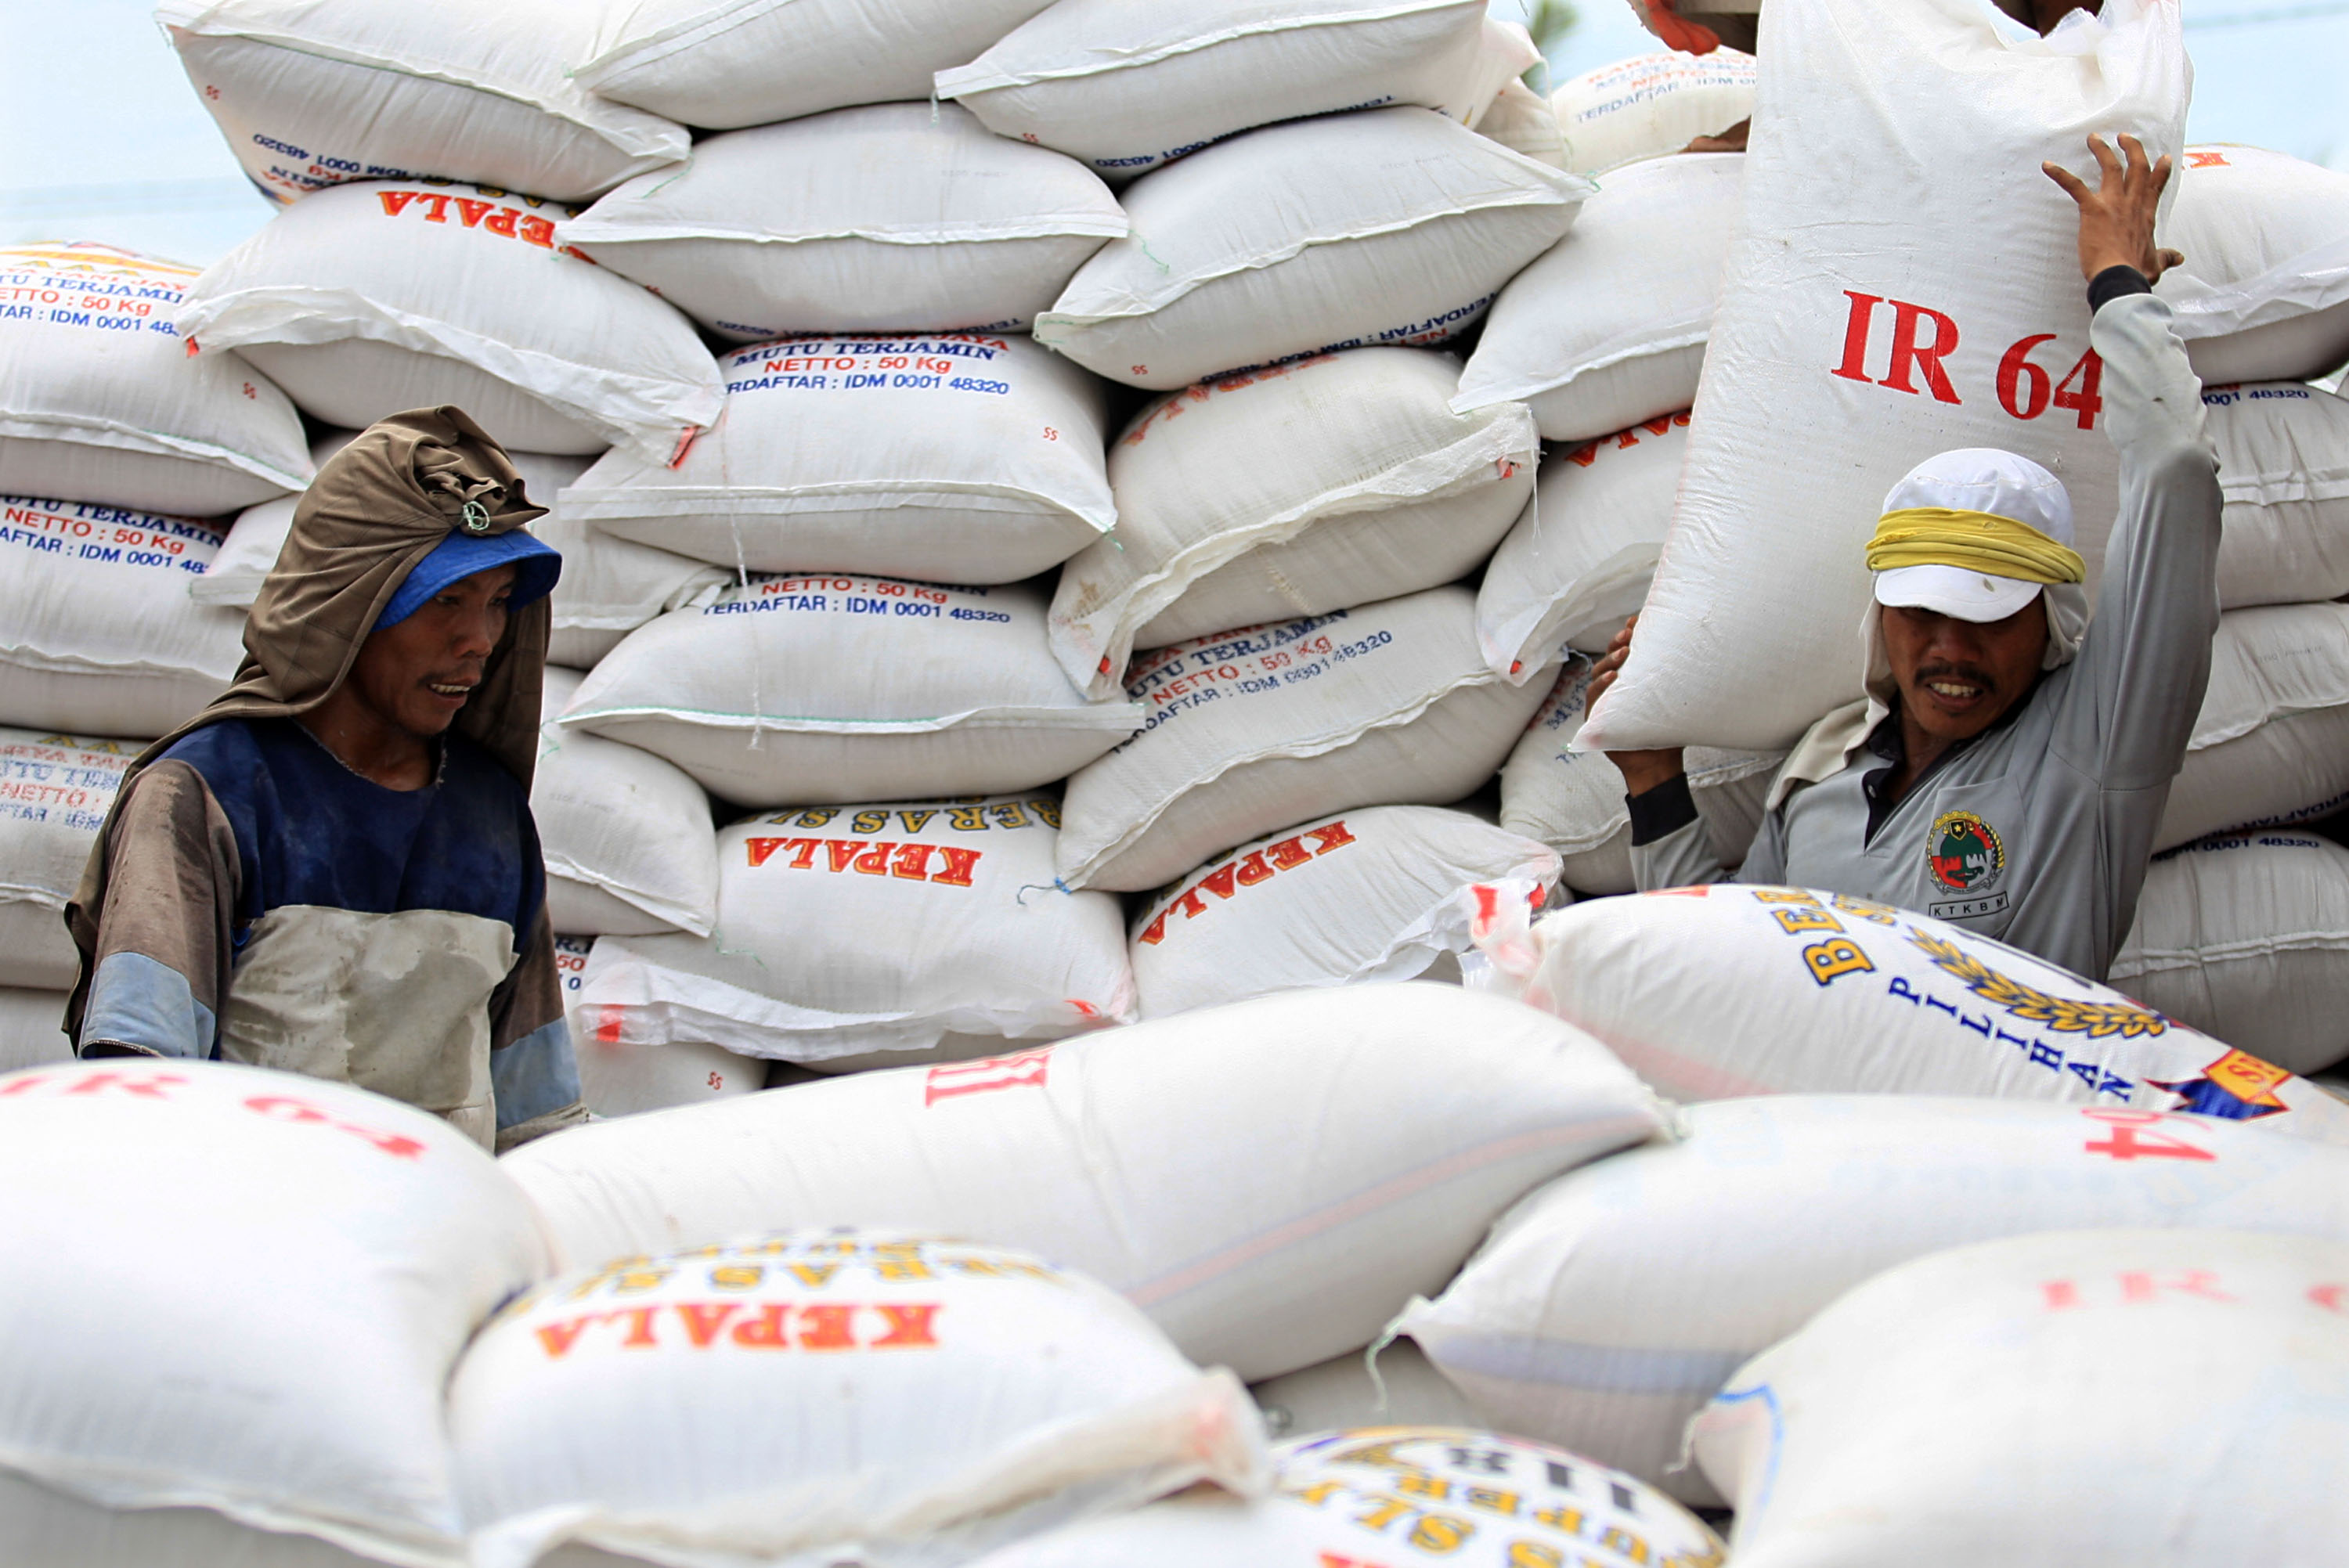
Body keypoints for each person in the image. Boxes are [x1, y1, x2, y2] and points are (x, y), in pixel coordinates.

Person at [1586, 132, 2217, 983]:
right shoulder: (1822, 772)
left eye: (1989, 616)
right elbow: (1723, 968)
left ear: (2053, 625)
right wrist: (1653, 778)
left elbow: (2176, 469)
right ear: (1881, 615)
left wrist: (2119, 286)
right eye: (1924, 612)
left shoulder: (2093, 748)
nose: (1952, 650)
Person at [65, 408, 587, 1150]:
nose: (479, 640)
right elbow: (137, 1083)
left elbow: (539, 1117)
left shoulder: (490, 813)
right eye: (446, 601)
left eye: (499, 602)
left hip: (442, 1249)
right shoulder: (204, 795)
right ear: (352, 602)